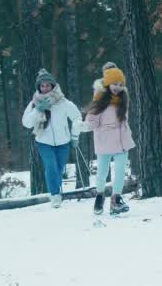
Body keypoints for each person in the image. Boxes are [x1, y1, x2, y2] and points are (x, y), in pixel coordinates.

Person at [21, 69, 83, 208]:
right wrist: (38, 110)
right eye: (42, 86)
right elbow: (26, 123)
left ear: (53, 86)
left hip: (63, 142)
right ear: (39, 87)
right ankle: (55, 195)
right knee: (50, 166)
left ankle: (57, 191)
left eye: (48, 85)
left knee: (59, 168)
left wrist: (74, 136)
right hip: (44, 142)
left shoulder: (62, 101)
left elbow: (77, 117)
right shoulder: (34, 103)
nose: (45, 88)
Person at [84, 62, 136, 216]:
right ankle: (100, 196)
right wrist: (82, 126)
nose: (118, 87)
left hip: (122, 141)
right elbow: (92, 122)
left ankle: (116, 200)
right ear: (107, 83)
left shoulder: (123, 99)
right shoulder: (99, 100)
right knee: (102, 172)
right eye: (114, 84)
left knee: (120, 171)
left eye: (121, 84)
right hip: (104, 140)